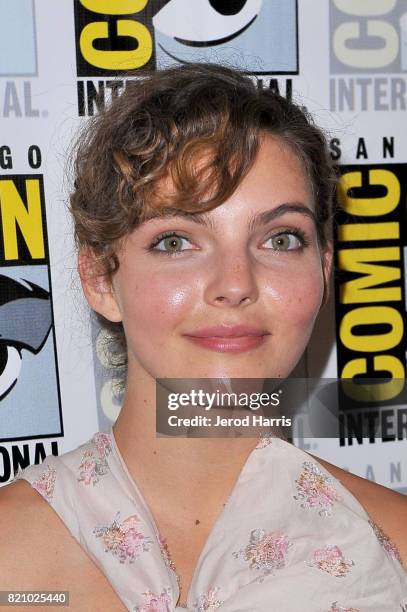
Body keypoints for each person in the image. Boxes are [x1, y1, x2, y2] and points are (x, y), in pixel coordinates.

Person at [1, 62, 406, 611]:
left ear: (324, 271)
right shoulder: (10, 560)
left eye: (281, 239)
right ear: (100, 279)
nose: (235, 284)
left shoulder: (396, 549)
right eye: (175, 241)